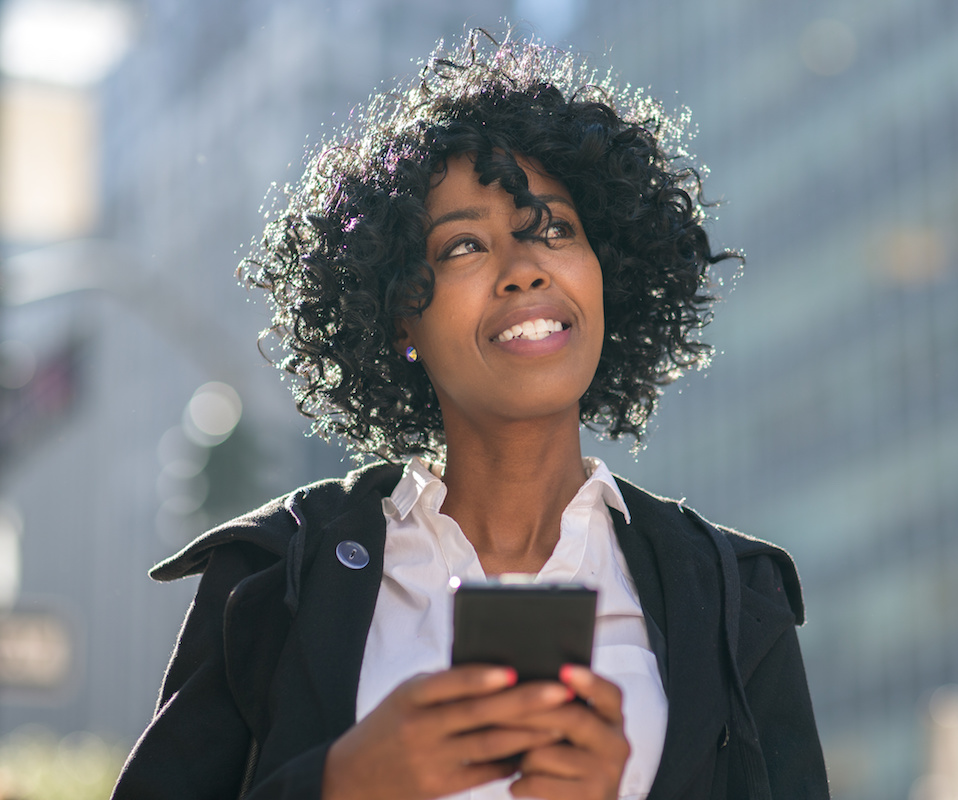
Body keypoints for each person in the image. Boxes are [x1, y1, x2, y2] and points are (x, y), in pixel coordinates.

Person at [111, 29, 829, 800]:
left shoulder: (732, 598)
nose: (524, 271)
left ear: (605, 274)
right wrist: (343, 785)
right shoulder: (272, 577)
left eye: (554, 229)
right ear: (398, 316)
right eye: (461, 247)